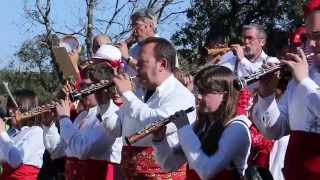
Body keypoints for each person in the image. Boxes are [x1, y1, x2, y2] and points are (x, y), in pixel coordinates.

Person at [103, 37, 196, 179]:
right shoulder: (138, 93)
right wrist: (103, 103)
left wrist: (127, 94)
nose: (136, 68)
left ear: (162, 64)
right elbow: (114, 130)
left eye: (142, 64)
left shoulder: (182, 96)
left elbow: (155, 123)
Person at [252, 1, 320, 179]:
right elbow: (274, 130)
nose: (311, 44)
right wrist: (267, 94)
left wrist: (304, 81)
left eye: (319, 36)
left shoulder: (303, 79)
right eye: (308, 37)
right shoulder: (301, 79)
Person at [152, 65, 251, 179]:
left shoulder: (237, 128)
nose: (198, 96)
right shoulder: (202, 125)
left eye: (205, 92)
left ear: (224, 95)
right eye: (198, 91)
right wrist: (160, 141)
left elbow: (206, 171)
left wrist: (184, 128)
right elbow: (169, 165)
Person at [43, 69, 121, 180]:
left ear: (103, 88)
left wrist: (64, 119)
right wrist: (48, 126)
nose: (82, 91)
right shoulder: (82, 116)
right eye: (82, 85)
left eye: (88, 86)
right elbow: (58, 151)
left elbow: (84, 150)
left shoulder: (113, 114)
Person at [0, 89, 45, 180]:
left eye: (14, 107)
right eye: (9, 107)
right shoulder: (11, 133)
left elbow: (16, 161)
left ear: (28, 108)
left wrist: (2, 133)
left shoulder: (36, 131)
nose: (10, 111)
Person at [118, 8, 179, 75]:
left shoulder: (164, 47)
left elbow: (154, 73)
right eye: (132, 26)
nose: (133, 30)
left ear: (150, 25)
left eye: (136, 25)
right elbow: (123, 74)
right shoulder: (133, 50)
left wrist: (128, 58)